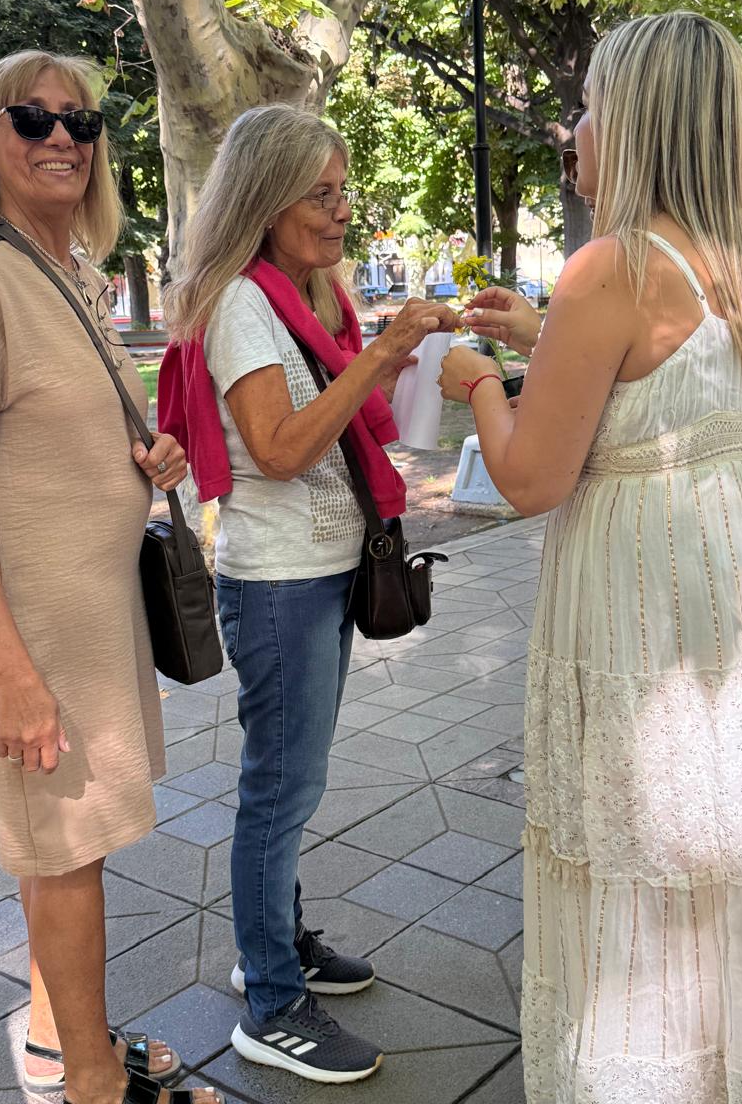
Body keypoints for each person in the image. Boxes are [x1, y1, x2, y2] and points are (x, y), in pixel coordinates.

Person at [440, 12, 742, 1100]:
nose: (576, 127)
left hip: (642, 606)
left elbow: (531, 477)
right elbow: (668, 386)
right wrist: (542, 338)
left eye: (592, 106)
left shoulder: (609, 266)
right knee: (730, 837)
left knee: (642, 849)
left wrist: (479, 382)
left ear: (641, 124)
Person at [0, 50, 222, 1104]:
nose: (61, 138)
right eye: (32, 118)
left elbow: (55, 433)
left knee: (65, 846)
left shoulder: (72, 271)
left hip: (96, 614)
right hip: (38, 629)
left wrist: (147, 457)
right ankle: (93, 1082)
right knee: (67, 850)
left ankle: (57, 1038)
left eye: (81, 123)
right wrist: (12, 673)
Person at [159, 104, 456, 1085]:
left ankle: (274, 942)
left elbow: (332, 419)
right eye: (320, 195)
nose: (342, 211)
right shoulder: (242, 302)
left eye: (343, 191)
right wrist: (378, 352)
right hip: (279, 578)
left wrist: (392, 357)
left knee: (294, 782)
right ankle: (272, 1002)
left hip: (322, 567)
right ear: (265, 201)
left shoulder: (302, 297)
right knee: (279, 789)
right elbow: (282, 450)